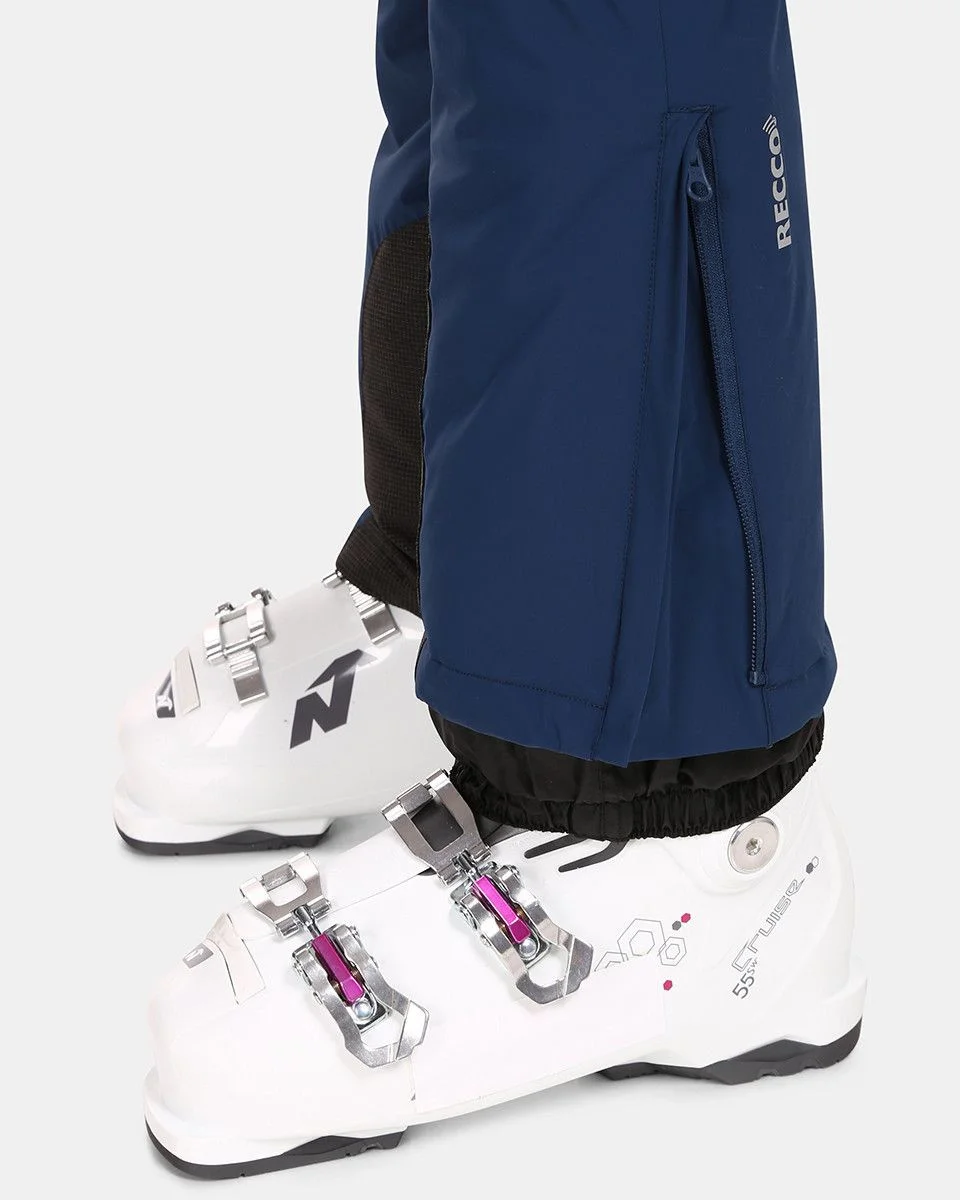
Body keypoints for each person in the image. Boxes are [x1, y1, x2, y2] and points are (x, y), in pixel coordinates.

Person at [131, 2, 863, 1177]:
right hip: (504, 559)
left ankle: (674, 797)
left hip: (652, 742)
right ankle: (468, 603)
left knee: (609, 43)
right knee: (484, 52)